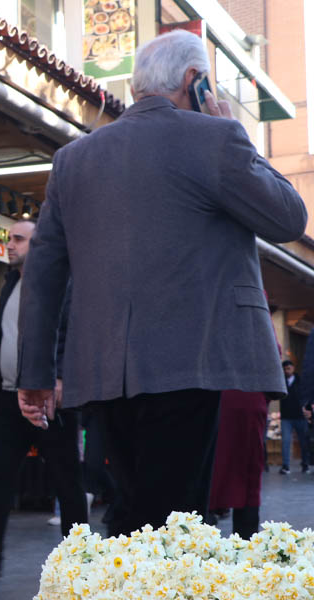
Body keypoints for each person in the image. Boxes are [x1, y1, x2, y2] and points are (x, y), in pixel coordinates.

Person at [16, 30, 307, 538]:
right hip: (192, 362)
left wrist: (36, 374)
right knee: (175, 520)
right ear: (196, 82)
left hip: (105, 371)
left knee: (134, 511)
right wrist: (236, 136)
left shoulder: (74, 158)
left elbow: (42, 272)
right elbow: (288, 217)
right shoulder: (215, 138)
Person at [0, 219, 87, 578]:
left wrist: (58, 376)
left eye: (19, 240)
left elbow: (69, 329)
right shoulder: (10, 284)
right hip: (9, 397)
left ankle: (81, 561)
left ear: (40, 245)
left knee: (66, 480)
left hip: (46, 396)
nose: (10, 245)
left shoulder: (61, 281)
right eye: (10, 238)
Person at [208, 389, 269, 538]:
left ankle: (199, 544)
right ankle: (246, 547)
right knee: (248, 475)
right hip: (250, 394)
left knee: (209, 469)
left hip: (212, 394)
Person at [279, 360, 309, 474]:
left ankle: (305, 464)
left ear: (293, 368)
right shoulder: (281, 382)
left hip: (300, 416)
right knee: (286, 441)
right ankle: (286, 466)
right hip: (286, 417)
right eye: (285, 369)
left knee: (303, 441)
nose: (287, 371)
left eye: (289, 368)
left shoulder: (301, 381)